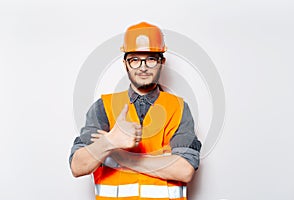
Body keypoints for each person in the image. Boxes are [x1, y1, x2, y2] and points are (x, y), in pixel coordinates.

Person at [69, 21, 201, 200]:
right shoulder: (104, 107)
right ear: (125, 64)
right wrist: (110, 141)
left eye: (151, 59)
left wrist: (123, 158)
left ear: (162, 62)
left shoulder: (178, 108)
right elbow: (78, 166)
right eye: (135, 60)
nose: (143, 67)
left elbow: (184, 170)